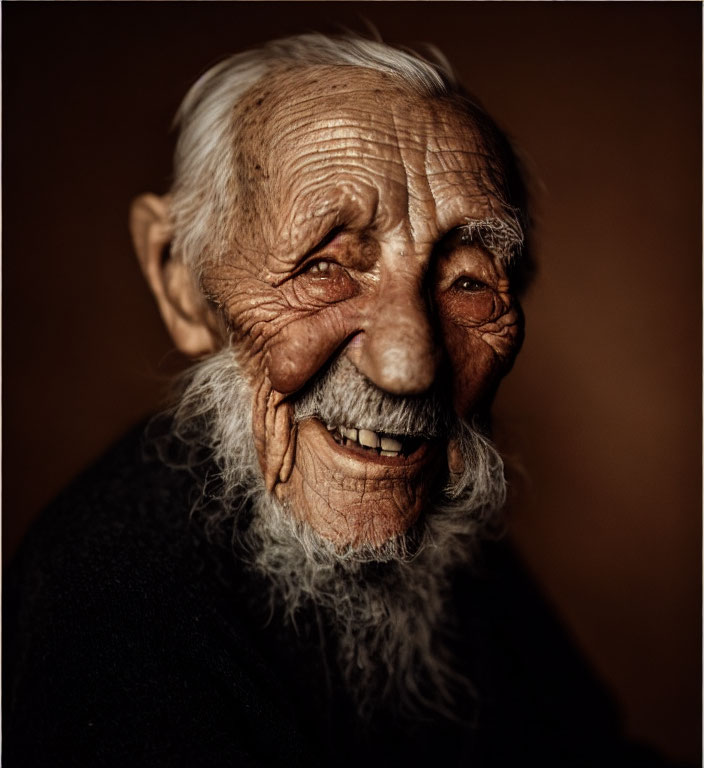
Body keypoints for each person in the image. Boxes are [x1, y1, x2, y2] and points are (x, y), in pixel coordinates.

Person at [3, 34, 674, 767]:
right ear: (180, 279)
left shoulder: (435, 519)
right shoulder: (118, 616)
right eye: (323, 267)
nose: (410, 364)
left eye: (469, 282)